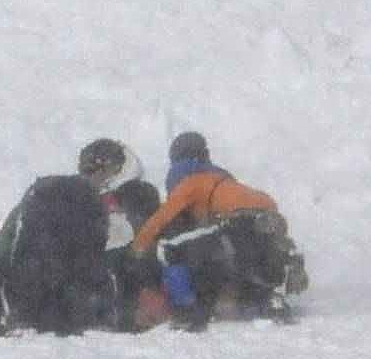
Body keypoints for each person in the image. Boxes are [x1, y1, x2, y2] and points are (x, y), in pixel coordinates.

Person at [129, 131, 309, 329]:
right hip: (267, 215)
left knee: (171, 250)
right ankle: (271, 297)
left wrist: (138, 245)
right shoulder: (222, 177)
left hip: (236, 221)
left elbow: (162, 217)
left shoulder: (189, 178)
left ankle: (186, 310)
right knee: (244, 263)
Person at [0, 172, 113, 335]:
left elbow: (0, 254)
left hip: (31, 293)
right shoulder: (88, 204)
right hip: (74, 296)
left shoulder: (33, 204)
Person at [76, 138, 167, 330]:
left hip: (134, 272)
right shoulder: (89, 200)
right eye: (89, 172)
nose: (94, 177)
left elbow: (144, 235)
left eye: (100, 171)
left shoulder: (138, 191)